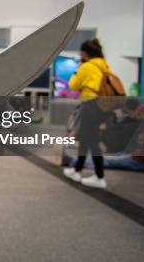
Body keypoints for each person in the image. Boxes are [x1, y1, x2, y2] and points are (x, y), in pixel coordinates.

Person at [63, 38, 112, 189]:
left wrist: (78, 68)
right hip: (102, 107)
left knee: (92, 141)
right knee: (86, 139)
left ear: (85, 53)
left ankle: (99, 176)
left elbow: (73, 84)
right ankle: (77, 170)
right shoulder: (104, 65)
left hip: (90, 105)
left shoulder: (87, 66)